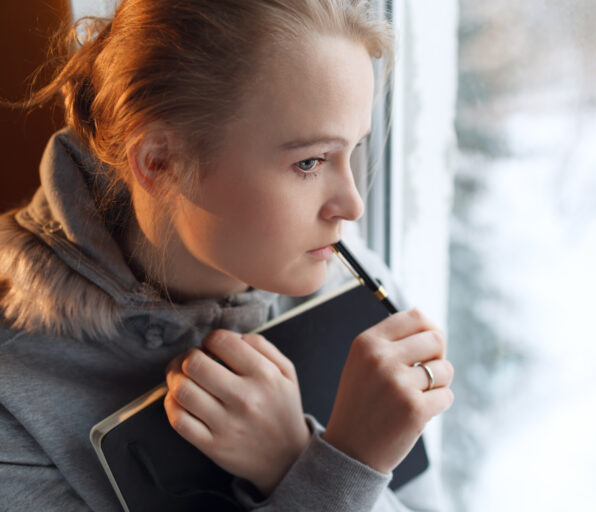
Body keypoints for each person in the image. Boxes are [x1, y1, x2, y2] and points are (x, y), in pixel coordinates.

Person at [0, 0, 454, 510]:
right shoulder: (14, 397)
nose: (352, 203)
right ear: (159, 162)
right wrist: (336, 471)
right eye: (309, 162)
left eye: (354, 151)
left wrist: (292, 460)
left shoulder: (349, 281)